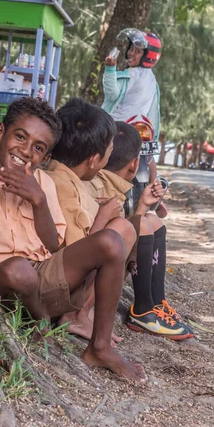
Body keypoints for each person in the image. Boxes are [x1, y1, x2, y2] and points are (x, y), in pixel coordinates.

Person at [0, 97, 147, 384]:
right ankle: (41, 322)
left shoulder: (44, 184)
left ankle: (99, 347)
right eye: (20, 137)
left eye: (38, 148)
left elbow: (54, 245)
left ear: (44, 157)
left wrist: (38, 200)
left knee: (112, 242)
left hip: (43, 276)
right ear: (0, 133)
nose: (26, 151)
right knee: (17, 270)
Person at [86, 122, 193, 340]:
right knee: (144, 222)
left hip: (94, 271)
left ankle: (155, 303)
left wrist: (143, 204)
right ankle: (143, 310)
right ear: (135, 164)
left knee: (152, 220)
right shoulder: (102, 191)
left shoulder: (107, 185)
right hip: (87, 282)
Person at [46, 98, 138, 345]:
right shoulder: (63, 186)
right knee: (123, 230)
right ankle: (77, 314)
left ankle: (83, 311)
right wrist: (103, 217)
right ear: (94, 160)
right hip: (53, 283)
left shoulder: (65, 176)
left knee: (121, 229)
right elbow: (76, 250)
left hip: (56, 276)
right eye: (110, 151)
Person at [101, 28, 167, 218]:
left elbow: (112, 93)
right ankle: (157, 194)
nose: (130, 53)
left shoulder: (131, 74)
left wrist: (110, 68)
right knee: (149, 157)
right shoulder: (152, 79)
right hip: (142, 128)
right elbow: (155, 110)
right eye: (131, 48)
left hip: (118, 128)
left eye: (137, 51)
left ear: (148, 56)